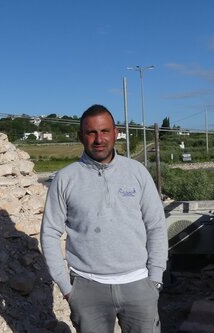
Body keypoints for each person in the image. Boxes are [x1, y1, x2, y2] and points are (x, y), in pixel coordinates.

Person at [40, 104, 168, 333]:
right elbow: (49, 232)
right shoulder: (65, 179)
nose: (99, 139)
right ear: (81, 136)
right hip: (88, 289)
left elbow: (156, 225)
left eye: (104, 131)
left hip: (139, 285)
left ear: (115, 133)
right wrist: (67, 288)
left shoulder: (137, 172)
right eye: (91, 132)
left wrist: (155, 279)